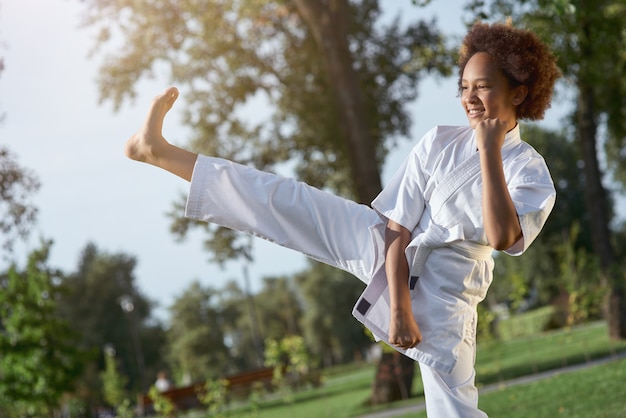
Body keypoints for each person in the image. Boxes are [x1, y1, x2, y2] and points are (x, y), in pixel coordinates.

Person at [125, 21, 560, 417]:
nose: (469, 98)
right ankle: (159, 152)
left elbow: (504, 237)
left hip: (448, 299)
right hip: (389, 254)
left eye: (481, 87)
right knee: (286, 200)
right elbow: (397, 226)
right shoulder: (439, 143)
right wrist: (399, 309)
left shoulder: (528, 169)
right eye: (464, 86)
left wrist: (488, 151)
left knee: (454, 414)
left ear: (518, 93)